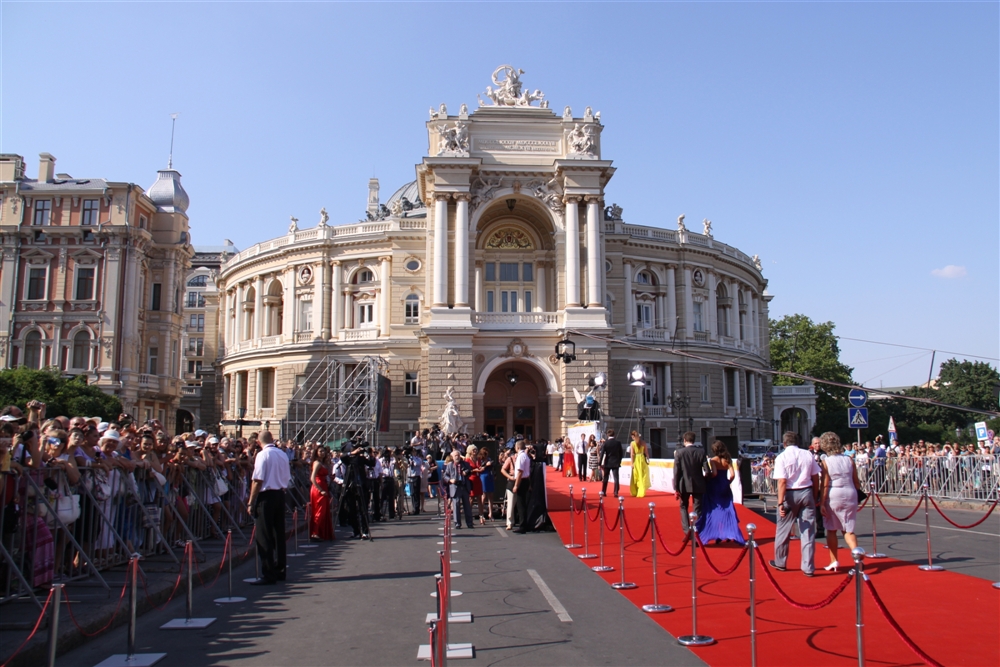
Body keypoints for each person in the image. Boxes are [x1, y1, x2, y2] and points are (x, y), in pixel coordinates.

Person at [769, 431, 821, 577]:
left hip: (790, 493)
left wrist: (780, 503)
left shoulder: (782, 457)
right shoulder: (808, 454)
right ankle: (808, 567)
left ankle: (780, 561)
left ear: (784, 443)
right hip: (807, 491)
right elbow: (815, 477)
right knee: (808, 531)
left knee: (783, 529)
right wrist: (815, 495)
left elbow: (782, 481)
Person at [246, 431, 291, 585]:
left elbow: (257, 480)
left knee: (264, 535)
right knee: (278, 534)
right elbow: (287, 477)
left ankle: (268, 572)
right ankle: (280, 569)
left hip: (267, 495)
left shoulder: (262, 455)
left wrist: (251, 501)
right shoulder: (282, 454)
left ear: (259, 442)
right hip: (280, 493)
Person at [818, 432, 860, 572]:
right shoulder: (849, 460)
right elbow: (857, 482)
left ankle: (834, 560)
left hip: (834, 493)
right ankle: (857, 556)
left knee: (831, 528)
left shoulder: (826, 462)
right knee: (848, 529)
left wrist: (822, 502)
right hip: (850, 492)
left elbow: (824, 484)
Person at [696, 442, 745, 544]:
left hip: (714, 486)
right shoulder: (728, 460)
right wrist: (727, 482)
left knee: (713, 509)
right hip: (724, 486)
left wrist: (707, 479)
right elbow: (732, 475)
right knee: (726, 508)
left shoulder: (713, 460)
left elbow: (714, 473)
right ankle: (727, 532)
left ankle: (716, 532)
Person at [673, 431, 707, 532]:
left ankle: (687, 531)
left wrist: (676, 488)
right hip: (699, 483)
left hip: (684, 484)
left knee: (683, 507)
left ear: (684, 440)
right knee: (697, 509)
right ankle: (696, 531)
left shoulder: (679, 452)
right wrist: (704, 480)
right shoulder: (701, 451)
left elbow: (676, 472)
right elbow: (707, 470)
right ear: (694, 440)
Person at [308, 446, 334, 541]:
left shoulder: (323, 463)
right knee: (319, 511)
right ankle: (315, 533)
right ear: (316, 452)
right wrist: (320, 490)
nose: (322, 453)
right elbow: (312, 478)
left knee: (323, 511)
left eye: (323, 451)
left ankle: (320, 532)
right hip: (318, 488)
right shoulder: (317, 463)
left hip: (323, 485)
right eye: (320, 451)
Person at [444, 449, 474, 529]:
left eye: (458, 455)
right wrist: (450, 480)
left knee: (467, 505)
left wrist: (466, 472)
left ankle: (469, 523)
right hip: (455, 487)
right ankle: (457, 523)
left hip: (464, 486)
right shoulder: (450, 465)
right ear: (452, 457)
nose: (457, 457)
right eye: (455, 456)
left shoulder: (465, 464)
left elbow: (470, 471)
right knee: (456, 505)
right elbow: (445, 476)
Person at [512, 439, 533, 533]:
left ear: (518, 447)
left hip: (521, 480)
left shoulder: (521, 456)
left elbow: (520, 471)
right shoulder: (526, 456)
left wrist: (516, 485)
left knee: (521, 504)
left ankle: (522, 525)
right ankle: (524, 524)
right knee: (523, 503)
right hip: (526, 480)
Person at [600, 429, 624, 497]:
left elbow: (602, 454)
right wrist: (619, 461)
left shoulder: (606, 443)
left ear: (607, 435)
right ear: (614, 435)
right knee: (616, 478)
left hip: (607, 462)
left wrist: (599, 463)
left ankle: (604, 491)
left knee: (605, 477)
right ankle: (616, 492)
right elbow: (621, 453)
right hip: (615, 462)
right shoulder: (618, 442)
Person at [629, 430, 651, 498]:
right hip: (642, 460)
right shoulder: (643, 442)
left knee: (636, 476)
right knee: (642, 475)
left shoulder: (632, 443)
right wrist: (648, 459)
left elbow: (632, 454)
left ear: (633, 436)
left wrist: (632, 463)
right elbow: (646, 452)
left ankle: (636, 491)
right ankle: (641, 490)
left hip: (636, 460)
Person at [500, 449, 516, 530]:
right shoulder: (510, 459)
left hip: (521, 481)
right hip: (512, 481)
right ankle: (509, 522)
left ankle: (517, 520)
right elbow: (502, 470)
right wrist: (510, 477)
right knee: (511, 503)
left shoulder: (524, 458)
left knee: (519, 503)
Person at [477, 447, 495, 523]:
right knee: (483, 495)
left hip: (489, 476)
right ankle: (482, 514)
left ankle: (491, 513)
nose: (487, 454)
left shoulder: (489, 458)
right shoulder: (479, 460)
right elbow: (479, 469)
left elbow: (492, 467)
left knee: (491, 495)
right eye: (485, 453)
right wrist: (486, 465)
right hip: (483, 476)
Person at [407, 447, 424, 515]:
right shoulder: (409, 458)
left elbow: (416, 464)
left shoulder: (418, 459)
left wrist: (412, 459)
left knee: (416, 493)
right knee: (412, 493)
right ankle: (413, 508)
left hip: (416, 477)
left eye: (414, 452)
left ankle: (417, 508)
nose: (413, 453)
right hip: (410, 477)